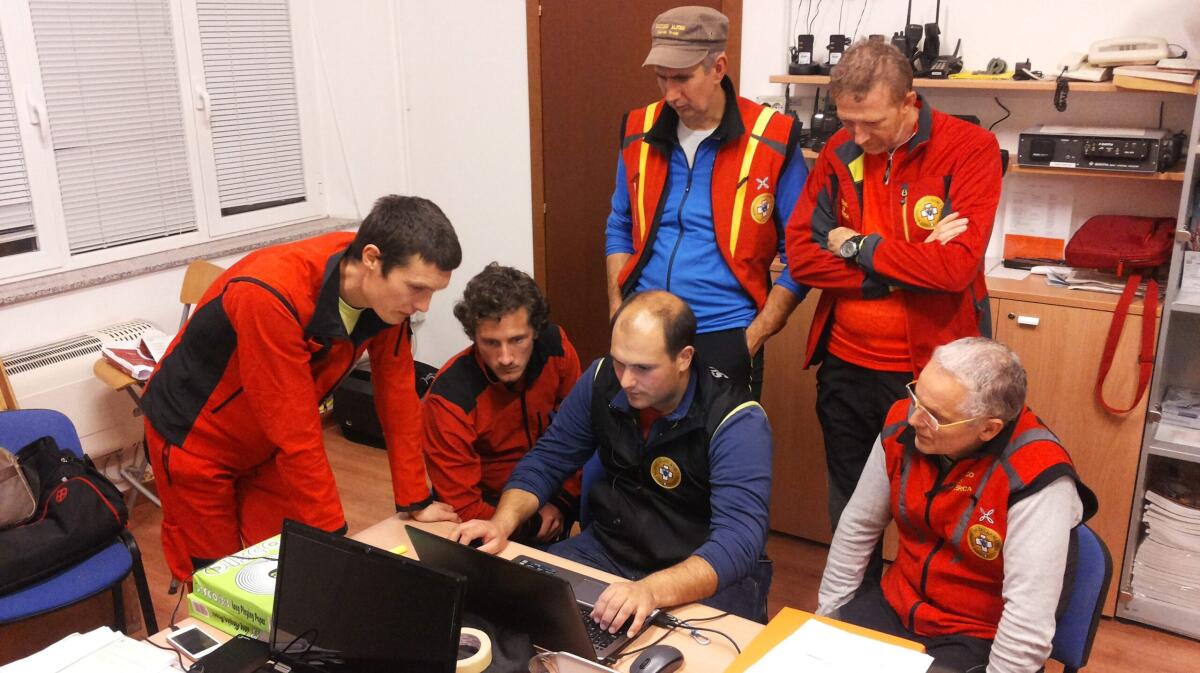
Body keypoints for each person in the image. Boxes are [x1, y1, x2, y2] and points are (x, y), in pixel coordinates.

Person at [141, 195, 463, 583]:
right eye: (416, 288)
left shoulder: (384, 296)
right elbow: (297, 431)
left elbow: (398, 397)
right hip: (195, 441)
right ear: (372, 259)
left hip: (266, 441)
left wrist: (416, 500)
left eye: (432, 292)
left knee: (291, 567)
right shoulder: (271, 293)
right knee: (218, 581)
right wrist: (334, 536)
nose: (424, 305)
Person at [784, 40, 1003, 543]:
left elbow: (954, 267)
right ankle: (846, 612)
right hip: (845, 367)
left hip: (934, 376)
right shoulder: (840, 151)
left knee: (930, 504)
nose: (857, 136)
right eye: (847, 121)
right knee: (849, 504)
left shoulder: (970, 149)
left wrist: (857, 246)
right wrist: (897, 267)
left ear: (909, 103)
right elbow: (800, 253)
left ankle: (916, 607)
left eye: (872, 123)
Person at [454, 290, 773, 634]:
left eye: (643, 368)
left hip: (699, 569)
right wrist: (502, 524)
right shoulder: (601, 378)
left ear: (684, 358)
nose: (625, 381)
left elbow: (738, 540)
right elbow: (548, 458)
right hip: (608, 550)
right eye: (620, 362)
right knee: (509, 618)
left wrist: (650, 590)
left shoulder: (737, 420)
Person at [817, 337, 1097, 673]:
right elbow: (858, 526)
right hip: (896, 605)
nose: (914, 419)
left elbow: (1027, 621)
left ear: (988, 429)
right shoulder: (903, 423)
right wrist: (828, 620)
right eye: (916, 398)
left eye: (935, 416)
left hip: (977, 636)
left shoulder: (1038, 476)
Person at [605, 6, 808, 399]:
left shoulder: (773, 138)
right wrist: (618, 312)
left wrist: (752, 338)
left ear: (718, 67)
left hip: (727, 334)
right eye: (661, 78)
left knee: (722, 456)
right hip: (646, 332)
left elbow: (802, 254)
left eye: (682, 78)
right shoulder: (638, 128)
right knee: (644, 455)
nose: (670, 94)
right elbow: (619, 223)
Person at [422, 263, 582, 544]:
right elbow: (463, 505)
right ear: (474, 337)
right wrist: (529, 522)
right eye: (491, 343)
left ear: (535, 329)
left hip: (555, 488)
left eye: (517, 339)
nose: (506, 357)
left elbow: (582, 434)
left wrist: (562, 502)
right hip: (489, 510)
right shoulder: (449, 399)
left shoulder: (557, 348)